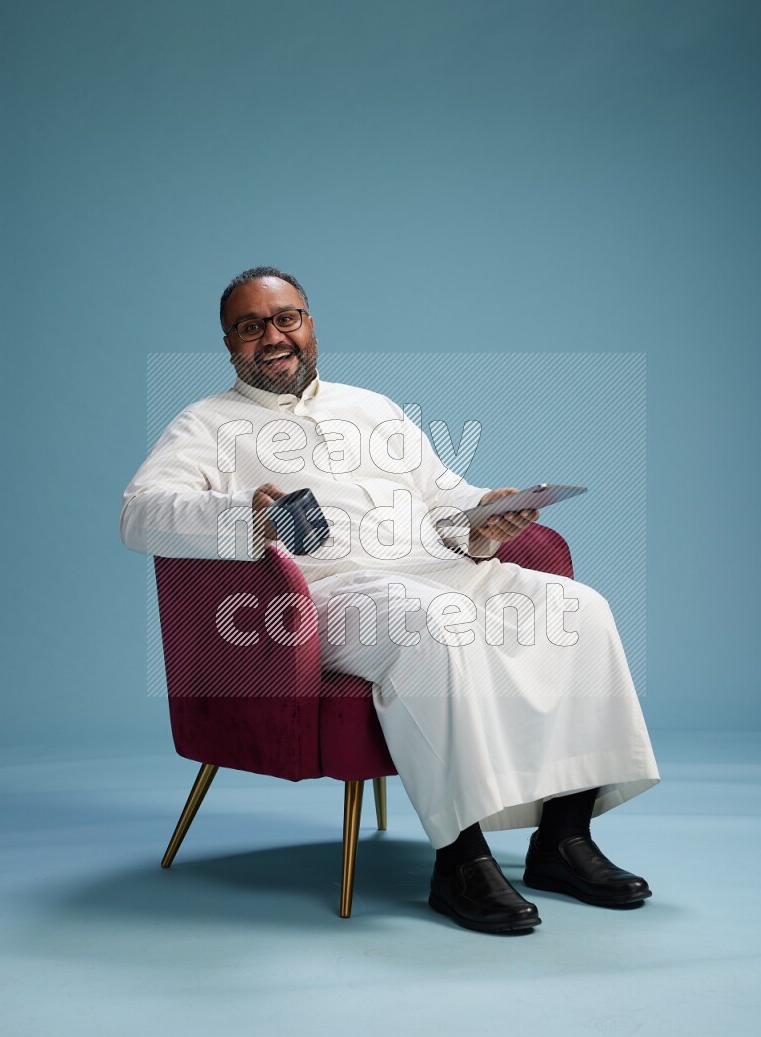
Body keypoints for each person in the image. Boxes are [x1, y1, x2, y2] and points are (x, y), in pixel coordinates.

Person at [121, 265, 660, 934]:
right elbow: (140, 513)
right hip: (330, 598)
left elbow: (443, 495)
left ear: (310, 324)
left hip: (436, 568)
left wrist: (485, 511)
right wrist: (242, 515)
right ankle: (461, 862)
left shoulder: (373, 408)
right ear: (230, 344)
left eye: (286, 318)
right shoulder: (204, 423)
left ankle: (564, 841)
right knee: (432, 625)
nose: (273, 336)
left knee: (578, 609)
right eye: (251, 326)